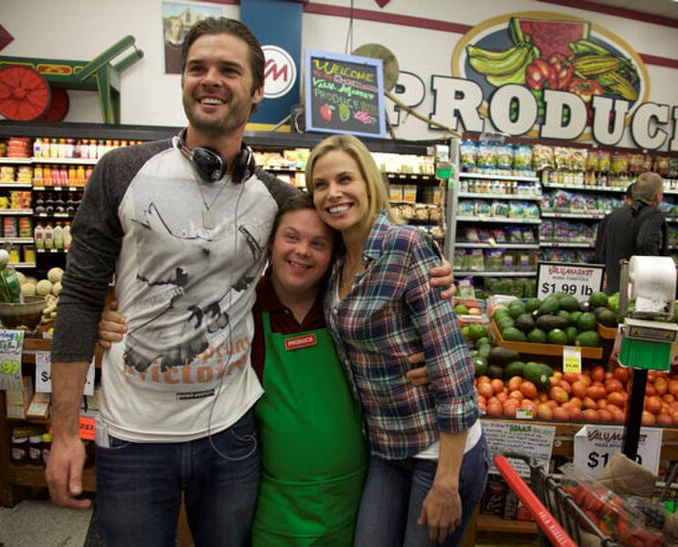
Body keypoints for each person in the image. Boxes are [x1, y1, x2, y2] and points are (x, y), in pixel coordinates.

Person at [47, 17, 454, 546]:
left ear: (259, 91)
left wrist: (425, 274)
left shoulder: (275, 198)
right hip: (132, 435)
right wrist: (63, 432)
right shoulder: (121, 170)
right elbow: (80, 296)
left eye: (229, 70)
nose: (210, 79)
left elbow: (347, 238)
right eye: (197, 68)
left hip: (231, 435)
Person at [305, 134, 487, 547]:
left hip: (438, 450)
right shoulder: (335, 260)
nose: (333, 193)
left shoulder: (406, 247)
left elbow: (453, 369)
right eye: (320, 185)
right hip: (386, 448)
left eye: (345, 179)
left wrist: (447, 481)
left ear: (369, 183)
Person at [595, 172, 668, 293]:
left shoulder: (615, 215)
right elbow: (645, 242)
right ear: (657, 197)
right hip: (637, 290)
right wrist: (657, 272)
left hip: (613, 288)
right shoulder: (653, 214)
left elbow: (602, 249)